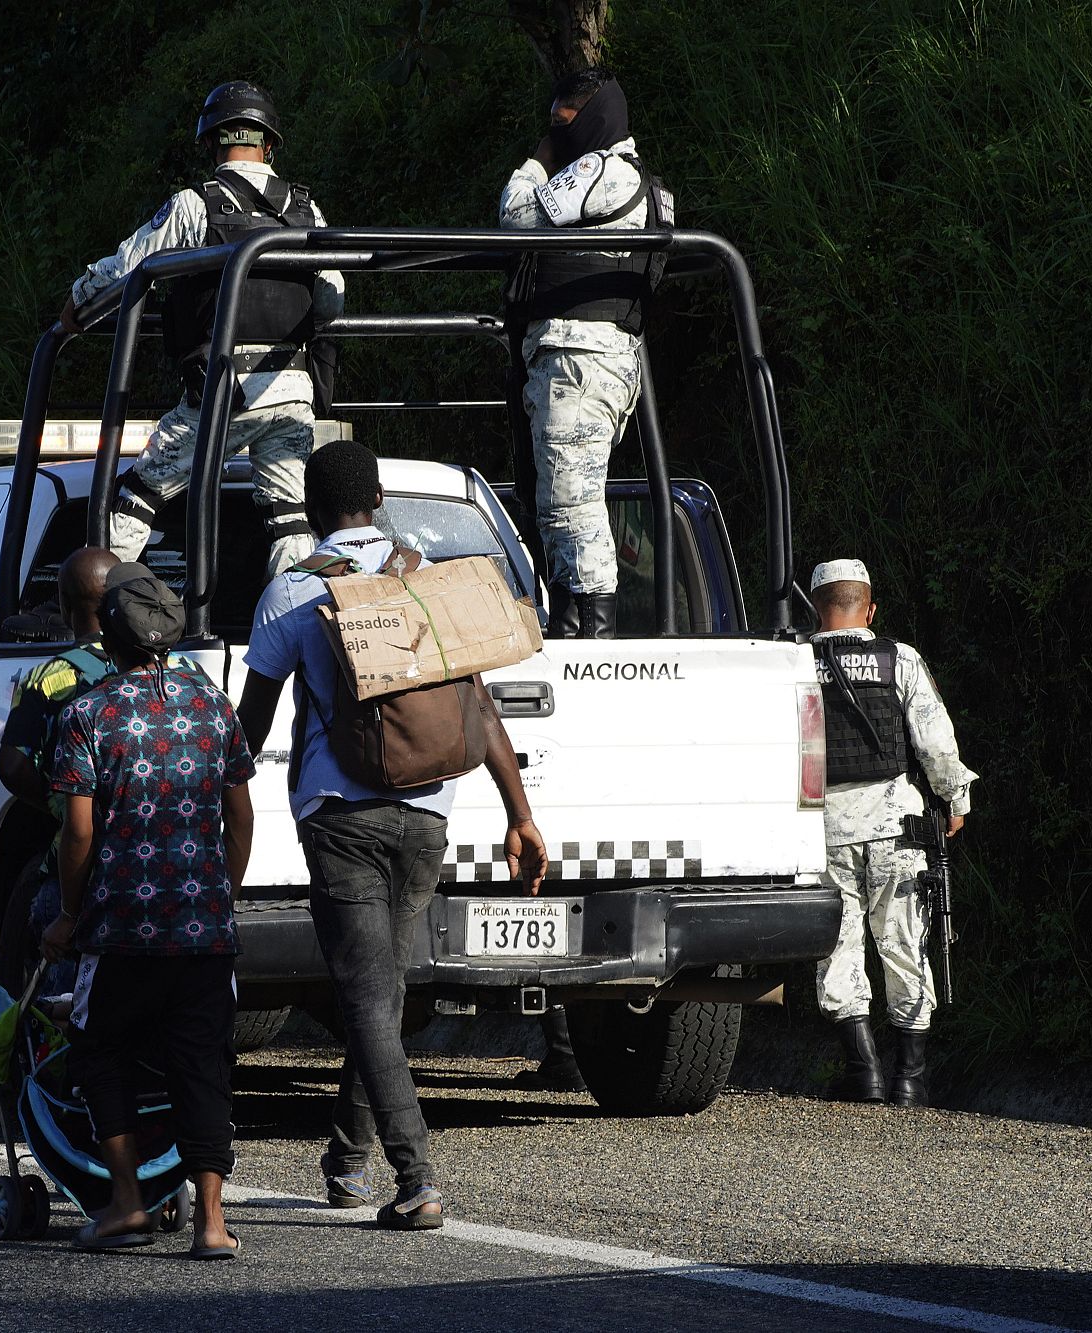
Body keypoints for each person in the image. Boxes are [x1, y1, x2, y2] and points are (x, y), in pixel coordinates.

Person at [235, 441, 549, 1229]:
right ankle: (346, 1159)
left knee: (369, 997)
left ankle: (416, 1179)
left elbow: (252, 722)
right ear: (376, 497)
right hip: (430, 807)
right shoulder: (426, 577)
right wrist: (520, 814)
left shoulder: (293, 592)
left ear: (310, 511)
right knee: (382, 990)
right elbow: (479, 707)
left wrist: (208, 795)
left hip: (340, 813)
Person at [39, 566, 253, 1259]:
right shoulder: (214, 705)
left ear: (107, 635)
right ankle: (212, 1223)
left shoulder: (88, 713)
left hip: (121, 929)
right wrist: (224, 889)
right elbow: (239, 812)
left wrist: (71, 911)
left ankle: (127, 1201)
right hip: (204, 929)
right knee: (203, 1065)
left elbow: (77, 833)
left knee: (100, 1053)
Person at [59, 80, 343, 579]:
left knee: (139, 494)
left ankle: (98, 606)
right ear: (269, 144)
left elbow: (130, 264)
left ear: (211, 142)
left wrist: (79, 303)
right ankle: (300, 614)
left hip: (225, 389)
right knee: (288, 516)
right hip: (294, 387)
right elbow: (332, 292)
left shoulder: (195, 204)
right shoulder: (307, 210)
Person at [500, 68, 675, 639]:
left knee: (572, 500)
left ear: (597, 115)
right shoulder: (639, 182)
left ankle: (595, 631)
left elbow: (517, 217)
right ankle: (570, 620)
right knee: (556, 498)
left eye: (564, 122)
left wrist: (538, 158)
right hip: (588, 356)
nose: (556, 133)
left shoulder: (602, 171)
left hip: (580, 355)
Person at [809, 560, 975, 1108]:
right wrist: (956, 797)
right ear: (870, 608)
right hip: (897, 828)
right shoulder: (900, 660)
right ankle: (909, 1079)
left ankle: (865, 1074)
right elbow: (935, 740)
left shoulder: (793, 664)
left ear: (816, 607)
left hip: (822, 828)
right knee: (905, 943)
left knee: (838, 946)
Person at [0, 547, 121, 984]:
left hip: (77, 873)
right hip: (163, 869)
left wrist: (59, 802)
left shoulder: (50, 678)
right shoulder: (168, 670)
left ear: (65, 608)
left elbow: (11, 765)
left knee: (65, 1006)